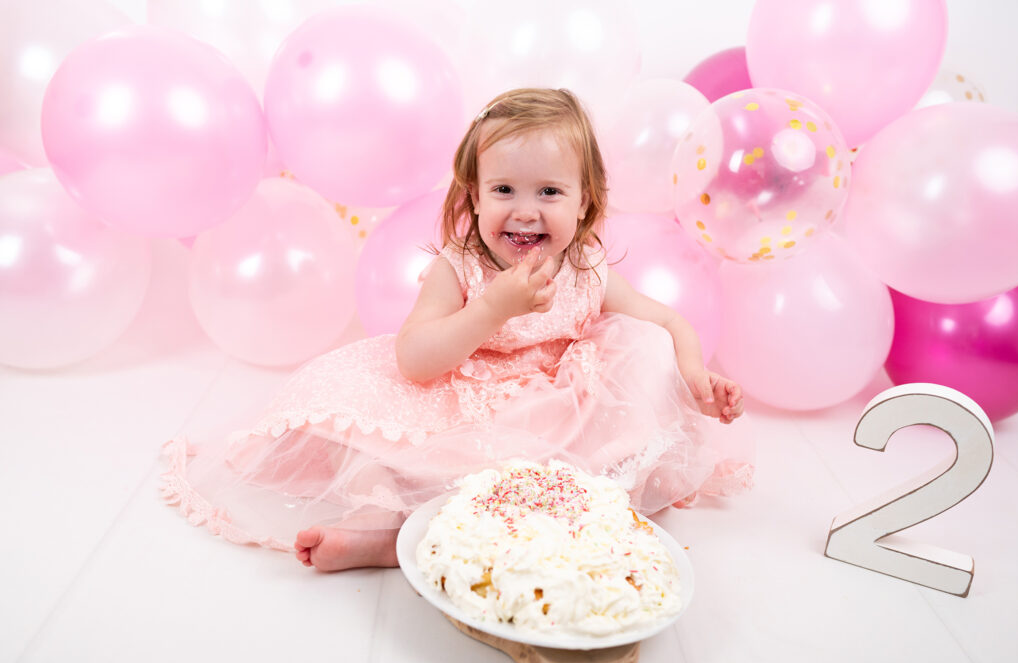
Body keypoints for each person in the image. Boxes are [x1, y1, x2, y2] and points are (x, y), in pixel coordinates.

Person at [162, 88, 753, 572]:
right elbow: (416, 359)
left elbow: (671, 322)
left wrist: (697, 381)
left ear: (584, 203)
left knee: (644, 345)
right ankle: (381, 528)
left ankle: (602, 497)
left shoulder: (585, 269)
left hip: (556, 416)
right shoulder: (460, 267)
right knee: (365, 439)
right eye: (503, 190)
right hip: (464, 404)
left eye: (549, 191)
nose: (524, 210)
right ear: (474, 195)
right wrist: (492, 308)